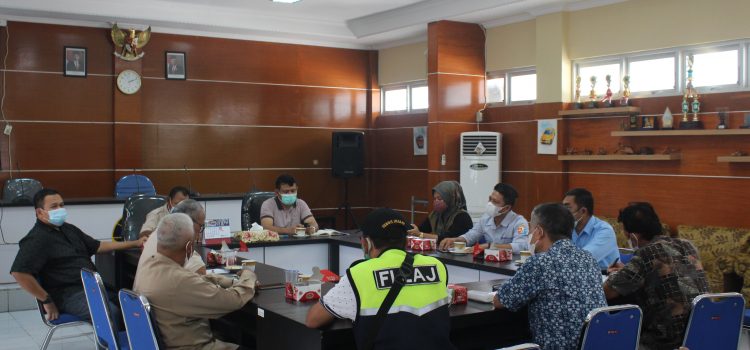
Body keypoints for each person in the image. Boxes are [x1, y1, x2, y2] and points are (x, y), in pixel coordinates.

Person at [306, 208, 455, 350]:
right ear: (406, 241)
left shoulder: (359, 273)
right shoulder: (437, 266)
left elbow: (313, 320)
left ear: (367, 243)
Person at [10, 188, 146, 322]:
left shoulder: (68, 229)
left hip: (92, 287)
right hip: (69, 295)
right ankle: (110, 344)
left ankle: (128, 343)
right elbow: (19, 272)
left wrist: (135, 243)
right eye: (54, 206)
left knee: (133, 307)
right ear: (40, 212)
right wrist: (46, 300)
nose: (60, 209)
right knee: (110, 313)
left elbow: (97, 246)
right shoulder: (37, 239)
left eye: (62, 205)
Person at [134, 213, 257, 350]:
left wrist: (230, 282)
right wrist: (248, 276)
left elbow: (194, 280)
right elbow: (234, 300)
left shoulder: (150, 265)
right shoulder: (179, 281)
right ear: (189, 247)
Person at [494, 202, 606, 350]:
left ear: (539, 232)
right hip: (597, 344)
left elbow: (500, 301)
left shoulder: (540, 262)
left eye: (531, 230)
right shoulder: (588, 258)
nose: (530, 235)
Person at [604, 202, 709, 350]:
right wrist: (626, 271)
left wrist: (617, 275)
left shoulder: (646, 253)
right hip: (700, 332)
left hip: (666, 339)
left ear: (633, 236)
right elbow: (671, 274)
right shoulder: (687, 245)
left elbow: (607, 292)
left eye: (626, 234)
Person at [439, 183, 528, 254]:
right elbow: (472, 235)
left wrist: (490, 246)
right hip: (489, 262)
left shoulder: (520, 223)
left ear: (507, 208)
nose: (490, 203)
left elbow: (521, 246)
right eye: (490, 199)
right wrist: (455, 240)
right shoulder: (486, 218)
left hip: (510, 267)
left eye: (495, 202)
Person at [138, 199, 207, 275]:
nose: (200, 231)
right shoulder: (191, 257)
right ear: (189, 222)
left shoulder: (154, 236)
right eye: (201, 226)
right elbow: (201, 279)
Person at [562, 188, 619, 269]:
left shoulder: (605, 230)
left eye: (567, 208)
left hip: (604, 277)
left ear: (583, 211)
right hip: (576, 276)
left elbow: (584, 260)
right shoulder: (566, 228)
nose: (563, 212)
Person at [407, 181, 472, 244]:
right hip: (441, 252)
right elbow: (422, 228)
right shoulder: (435, 214)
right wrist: (410, 229)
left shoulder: (462, 217)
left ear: (450, 198)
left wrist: (420, 234)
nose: (436, 202)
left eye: (440, 199)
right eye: (435, 199)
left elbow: (446, 238)